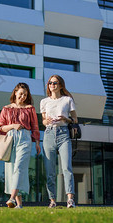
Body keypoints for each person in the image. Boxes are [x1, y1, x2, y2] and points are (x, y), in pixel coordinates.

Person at [0, 82, 41, 209]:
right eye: (21, 94)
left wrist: (37, 143)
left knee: (20, 167)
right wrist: (13, 126)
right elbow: (0, 128)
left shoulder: (30, 109)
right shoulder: (6, 109)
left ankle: (12, 198)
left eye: (25, 95)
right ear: (15, 92)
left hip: (25, 138)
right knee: (11, 170)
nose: (23, 97)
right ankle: (19, 204)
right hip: (10, 138)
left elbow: (35, 127)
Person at [40, 75, 78, 208]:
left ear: (61, 85)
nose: (52, 85)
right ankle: (52, 200)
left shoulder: (67, 100)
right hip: (49, 133)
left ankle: (70, 200)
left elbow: (75, 120)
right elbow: (43, 121)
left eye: (55, 83)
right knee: (50, 170)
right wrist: (47, 121)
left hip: (63, 134)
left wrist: (66, 119)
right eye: (50, 83)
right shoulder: (44, 102)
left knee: (66, 168)